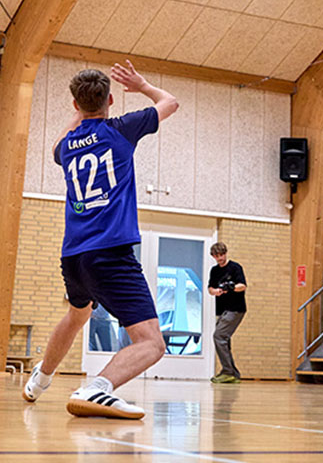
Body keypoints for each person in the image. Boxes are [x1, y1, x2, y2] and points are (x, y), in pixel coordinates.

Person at [23, 61, 178, 420]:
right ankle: (97, 388)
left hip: (73, 256)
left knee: (78, 314)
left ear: (75, 105)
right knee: (152, 343)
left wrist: (80, 114)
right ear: (110, 99)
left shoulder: (66, 147)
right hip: (110, 254)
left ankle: (40, 380)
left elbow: (56, 146)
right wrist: (142, 85)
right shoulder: (121, 129)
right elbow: (170, 102)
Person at [207, 242, 247, 383]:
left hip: (235, 309)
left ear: (225, 253)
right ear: (213, 256)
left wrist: (231, 287)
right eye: (217, 256)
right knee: (225, 340)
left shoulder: (235, 267)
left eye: (222, 255)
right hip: (222, 310)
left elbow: (243, 286)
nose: (220, 258)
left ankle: (227, 371)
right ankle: (233, 374)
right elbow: (210, 288)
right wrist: (216, 291)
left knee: (219, 336)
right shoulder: (214, 271)